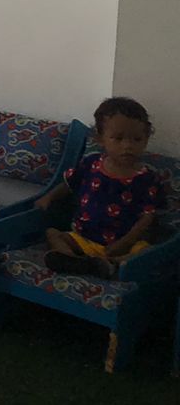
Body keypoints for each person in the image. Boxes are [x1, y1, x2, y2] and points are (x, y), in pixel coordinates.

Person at [35, 97, 164, 279]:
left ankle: (112, 264)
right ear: (100, 138)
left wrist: (124, 243)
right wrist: (48, 197)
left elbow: (147, 218)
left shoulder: (147, 179)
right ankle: (75, 261)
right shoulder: (91, 163)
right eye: (118, 139)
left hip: (124, 243)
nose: (127, 146)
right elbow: (69, 184)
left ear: (146, 139)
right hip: (85, 238)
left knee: (144, 251)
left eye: (136, 139)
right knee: (53, 233)